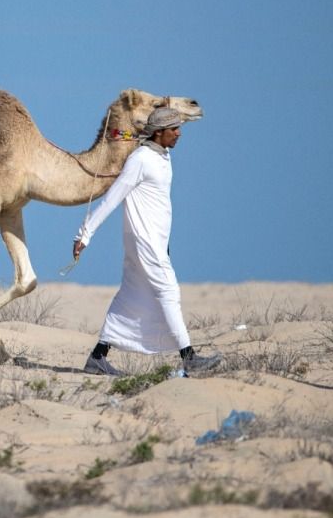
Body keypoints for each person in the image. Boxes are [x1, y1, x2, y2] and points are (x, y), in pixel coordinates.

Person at [71, 107, 221, 377]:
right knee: (169, 291)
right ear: (159, 132)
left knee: (131, 295)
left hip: (153, 242)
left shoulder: (163, 157)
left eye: (179, 128)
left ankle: (98, 357)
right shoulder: (140, 160)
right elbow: (113, 198)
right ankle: (189, 358)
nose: (178, 133)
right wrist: (85, 233)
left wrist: (164, 243)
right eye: (174, 129)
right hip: (144, 241)